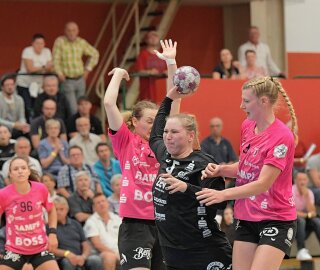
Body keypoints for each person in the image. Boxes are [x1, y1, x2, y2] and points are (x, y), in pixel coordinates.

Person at [197, 76, 298, 270]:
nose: (241, 105)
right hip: (246, 216)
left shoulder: (282, 136)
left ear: (263, 101)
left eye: (246, 100)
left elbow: (262, 184)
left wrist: (223, 194)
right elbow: (246, 167)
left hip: (276, 218)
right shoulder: (247, 126)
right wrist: (221, 170)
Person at [104, 39, 179, 270]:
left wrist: (171, 63)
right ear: (135, 122)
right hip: (135, 225)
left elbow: (174, 100)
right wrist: (118, 74)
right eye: (149, 121)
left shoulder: (165, 141)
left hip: (164, 224)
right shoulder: (126, 140)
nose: (154, 125)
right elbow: (108, 103)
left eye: (157, 121)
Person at [149, 84, 232, 270]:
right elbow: (155, 133)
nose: (167, 137)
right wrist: (169, 97)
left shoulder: (204, 163)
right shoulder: (164, 154)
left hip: (205, 249)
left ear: (190, 136)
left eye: (174, 132)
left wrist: (186, 188)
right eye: (166, 132)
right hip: (172, 252)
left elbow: (220, 202)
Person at [0, 156, 59, 270]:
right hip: (14, 250)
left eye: (23, 168)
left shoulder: (41, 188)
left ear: (28, 172)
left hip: (40, 248)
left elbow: (51, 210)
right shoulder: (3, 194)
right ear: (10, 174)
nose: (20, 171)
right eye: (16, 169)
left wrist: (52, 234)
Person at [53, 21, 99, 114]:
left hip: (80, 79)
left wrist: (87, 70)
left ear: (77, 31)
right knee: (73, 109)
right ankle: (74, 127)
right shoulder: (60, 41)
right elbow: (55, 59)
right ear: (65, 31)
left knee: (83, 107)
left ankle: (82, 127)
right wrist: (59, 73)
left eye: (73, 30)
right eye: (69, 30)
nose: (71, 32)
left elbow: (95, 54)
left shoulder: (81, 42)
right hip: (67, 80)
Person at [53, 196, 102, 270]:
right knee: (68, 262)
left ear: (67, 210)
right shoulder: (49, 227)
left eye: (61, 209)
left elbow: (85, 244)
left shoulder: (75, 224)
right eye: (56, 209)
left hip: (80, 256)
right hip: (63, 258)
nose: (58, 212)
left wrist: (83, 256)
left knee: (95, 260)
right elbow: (50, 249)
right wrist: (67, 254)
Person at [16, 33, 53, 122]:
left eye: (42, 43)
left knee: (38, 107)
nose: (40, 46)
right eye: (37, 43)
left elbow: (51, 68)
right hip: (24, 84)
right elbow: (30, 69)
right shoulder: (27, 51)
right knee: (27, 107)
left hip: (39, 85)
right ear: (32, 43)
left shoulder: (47, 51)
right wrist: (44, 67)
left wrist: (40, 68)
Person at [84, 193, 121, 270]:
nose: (101, 204)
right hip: (101, 253)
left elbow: (125, 238)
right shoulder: (91, 221)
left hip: (120, 251)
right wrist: (115, 254)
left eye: (103, 201)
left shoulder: (117, 218)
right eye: (98, 203)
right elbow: (97, 244)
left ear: (107, 203)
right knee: (110, 257)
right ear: (94, 207)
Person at [133, 31, 167, 101]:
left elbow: (167, 69)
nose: (154, 38)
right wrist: (149, 72)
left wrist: (168, 71)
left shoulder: (163, 55)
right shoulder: (143, 54)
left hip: (162, 91)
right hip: (148, 92)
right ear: (146, 40)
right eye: (151, 37)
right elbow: (139, 71)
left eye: (155, 36)